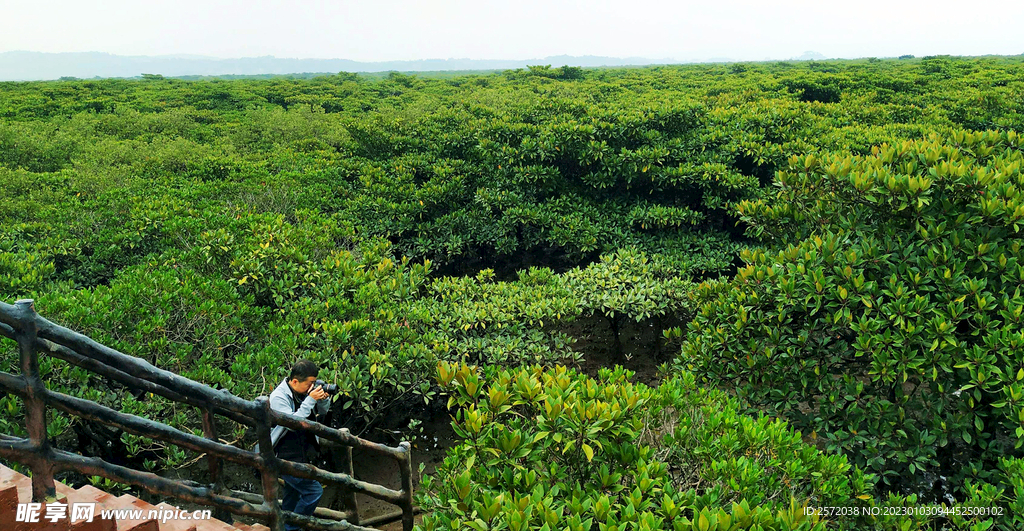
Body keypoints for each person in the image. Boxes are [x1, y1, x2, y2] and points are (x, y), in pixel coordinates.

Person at [258, 359, 332, 530]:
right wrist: (311, 400)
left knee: (292, 495)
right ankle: (293, 529)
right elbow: (292, 423)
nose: (311, 387)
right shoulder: (278, 397)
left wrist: (321, 400)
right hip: (284, 455)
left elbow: (322, 412)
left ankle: (282, 527)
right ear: (295, 381)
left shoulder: (302, 392)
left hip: (302, 453)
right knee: (314, 491)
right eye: (310, 383)